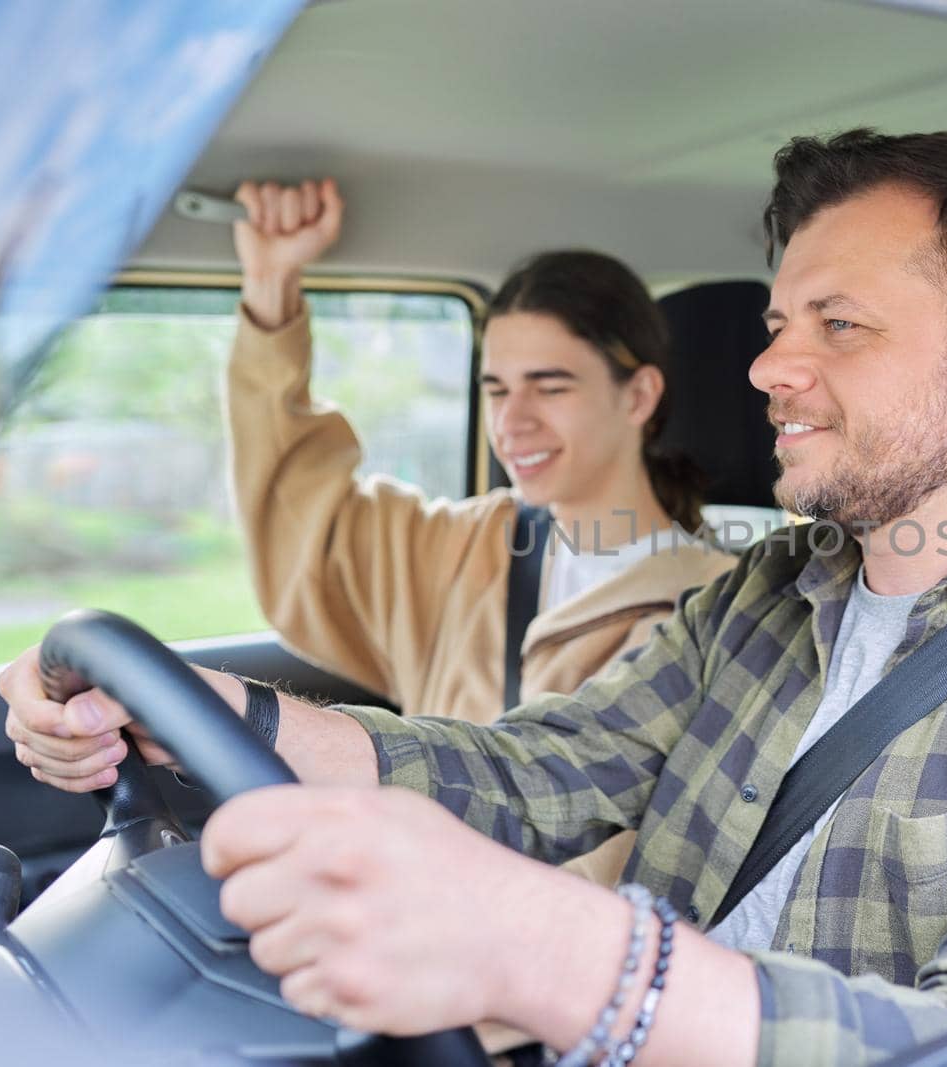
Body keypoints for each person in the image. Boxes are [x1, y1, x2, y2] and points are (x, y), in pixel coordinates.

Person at [2, 129, 947, 1066]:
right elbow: (534, 772)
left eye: (837, 324)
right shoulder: (774, 591)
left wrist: (557, 952)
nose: (769, 365)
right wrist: (221, 713)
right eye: (778, 320)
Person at [225, 183, 736, 883]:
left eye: (550, 387)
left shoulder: (716, 607)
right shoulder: (464, 546)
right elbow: (300, 522)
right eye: (496, 388)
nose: (512, 422)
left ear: (639, 395)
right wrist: (271, 285)